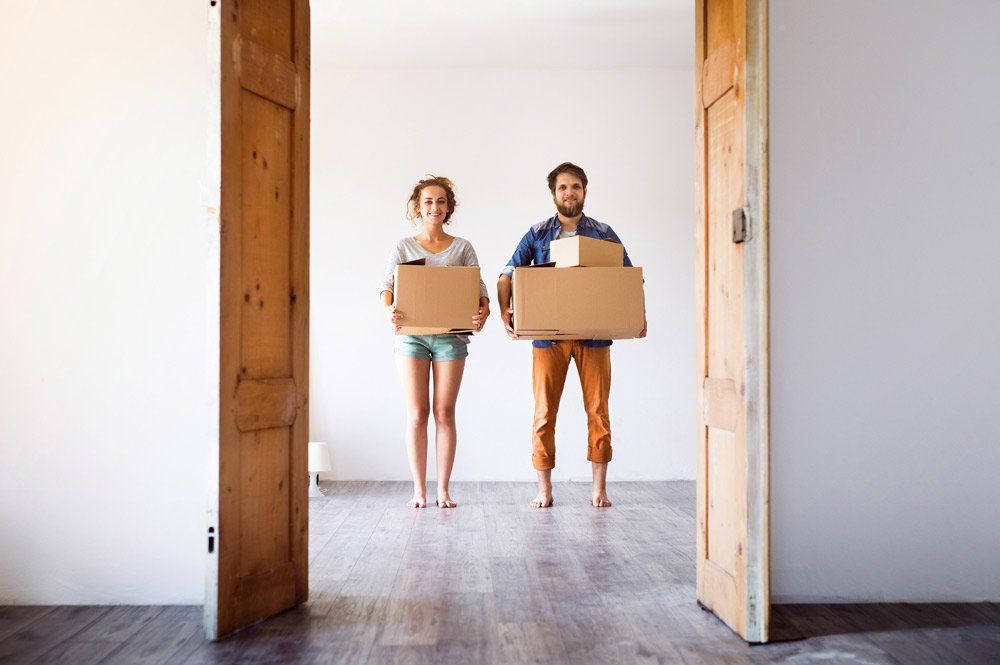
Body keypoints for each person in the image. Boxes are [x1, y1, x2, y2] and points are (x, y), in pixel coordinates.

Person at [497, 162, 646, 509]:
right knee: (544, 412)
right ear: (554, 194)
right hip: (549, 338)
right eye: (563, 187)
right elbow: (507, 275)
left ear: (584, 191)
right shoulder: (537, 234)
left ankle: (599, 489)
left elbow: (629, 278)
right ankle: (545, 489)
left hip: (595, 336)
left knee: (598, 410)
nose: (569, 193)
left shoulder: (603, 232)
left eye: (575, 187)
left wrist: (639, 316)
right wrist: (506, 312)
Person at [380, 176, 490, 508]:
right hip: (412, 337)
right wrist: (389, 310)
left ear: (448, 208)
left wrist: (482, 313)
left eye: (441, 201)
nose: (434, 207)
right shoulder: (403, 247)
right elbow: (387, 287)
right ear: (417, 207)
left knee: (444, 413)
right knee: (417, 413)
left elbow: (479, 293)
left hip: (451, 338)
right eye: (428, 201)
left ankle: (443, 490)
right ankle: (419, 490)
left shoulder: (462, 248)